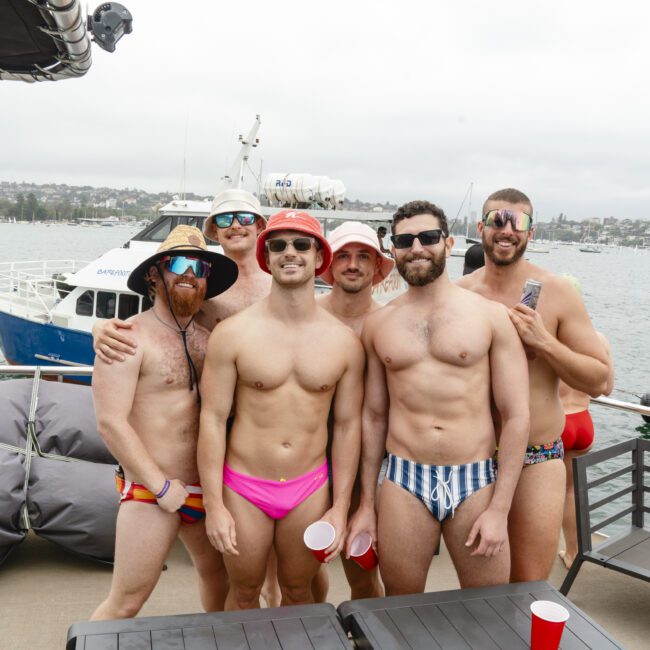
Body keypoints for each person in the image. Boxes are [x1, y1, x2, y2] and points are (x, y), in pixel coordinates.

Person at [348, 200, 530, 595]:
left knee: (487, 609)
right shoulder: (377, 325)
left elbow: (515, 414)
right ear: (392, 249)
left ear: (448, 244)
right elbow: (374, 416)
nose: (416, 247)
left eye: (428, 237)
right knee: (401, 606)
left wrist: (500, 509)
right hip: (404, 477)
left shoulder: (490, 317)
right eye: (404, 240)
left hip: (475, 477)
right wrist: (366, 505)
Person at [198, 210, 364, 610]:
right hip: (243, 484)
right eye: (278, 245)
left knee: (296, 590)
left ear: (319, 256)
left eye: (301, 244)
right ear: (265, 257)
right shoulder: (233, 333)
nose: (290, 253)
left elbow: (347, 427)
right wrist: (214, 505)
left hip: (309, 486)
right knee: (243, 590)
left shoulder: (343, 342)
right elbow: (213, 419)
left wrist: (341, 507)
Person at [457, 188, 610, 583]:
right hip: (471, 458)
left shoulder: (557, 292)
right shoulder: (460, 295)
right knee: (478, 588)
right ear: (481, 227)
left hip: (536, 456)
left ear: (531, 232)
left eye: (518, 222)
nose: (506, 230)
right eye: (497, 220)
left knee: (527, 585)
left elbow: (600, 380)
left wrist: (545, 342)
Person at [90, 226, 239, 620]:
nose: (190, 273)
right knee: (126, 602)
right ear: (155, 274)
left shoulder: (211, 341)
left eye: (200, 265)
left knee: (219, 583)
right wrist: (160, 486)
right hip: (152, 492)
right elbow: (110, 422)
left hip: (207, 493)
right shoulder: (127, 338)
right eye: (179, 263)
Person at [92, 189, 271, 363]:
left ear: (260, 226)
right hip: (217, 386)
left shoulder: (279, 281)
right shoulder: (203, 283)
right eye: (224, 220)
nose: (235, 225)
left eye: (245, 218)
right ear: (215, 230)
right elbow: (158, 318)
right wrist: (100, 327)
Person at [317, 220, 394, 599]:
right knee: (298, 570)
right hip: (308, 461)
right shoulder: (305, 318)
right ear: (328, 265)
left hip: (371, 465)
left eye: (363, 256)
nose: (352, 264)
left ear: (378, 267)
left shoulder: (390, 323)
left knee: (362, 569)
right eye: (343, 256)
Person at [557, 275, 615, 569]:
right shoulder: (598, 339)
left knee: (550, 490)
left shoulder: (552, 339)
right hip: (584, 422)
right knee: (574, 490)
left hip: (558, 424)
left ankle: (568, 553)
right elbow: (605, 388)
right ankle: (573, 551)